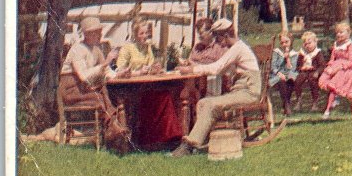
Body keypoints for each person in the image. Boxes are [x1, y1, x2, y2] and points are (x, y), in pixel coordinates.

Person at [171, 18, 261, 157]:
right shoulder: (235, 48)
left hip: (248, 93)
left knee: (211, 103)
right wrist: (194, 67)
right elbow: (222, 68)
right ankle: (203, 140)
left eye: (218, 38)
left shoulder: (238, 48)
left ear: (225, 35)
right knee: (203, 102)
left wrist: (192, 70)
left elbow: (217, 68)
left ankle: (189, 145)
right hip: (239, 92)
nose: (218, 42)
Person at [57, 16, 131, 153]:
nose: (101, 34)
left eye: (100, 31)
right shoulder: (77, 50)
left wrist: (120, 73)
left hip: (85, 89)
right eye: (97, 32)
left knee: (106, 94)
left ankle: (115, 130)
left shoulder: (96, 49)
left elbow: (106, 71)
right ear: (88, 34)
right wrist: (105, 62)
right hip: (72, 89)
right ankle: (115, 131)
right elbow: (83, 76)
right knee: (100, 96)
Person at [115, 19, 182, 150]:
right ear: (135, 34)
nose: (145, 36)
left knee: (165, 95)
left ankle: (167, 137)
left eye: (147, 33)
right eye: (142, 33)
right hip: (128, 87)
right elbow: (119, 71)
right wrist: (137, 72)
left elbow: (150, 66)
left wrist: (154, 68)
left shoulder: (148, 48)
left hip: (144, 84)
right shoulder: (127, 48)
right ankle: (151, 139)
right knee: (157, 98)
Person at [318, 22, 352, 121]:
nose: (338, 34)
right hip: (335, 66)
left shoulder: (351, 46)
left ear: (348, 33)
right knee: (326, 78)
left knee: (337, 81)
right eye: (337, 32)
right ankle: (331, 105)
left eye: (341, 32)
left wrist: (340, 68)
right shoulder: (336, 45)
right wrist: (330, 66)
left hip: (346, 69)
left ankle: (330, 107)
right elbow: (332, 59)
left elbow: (351, 62)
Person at [294, 31, 326, 112]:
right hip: (304, 71)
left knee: (313, 80)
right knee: (298, 80)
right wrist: (301, 67)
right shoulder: (302, 53)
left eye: (309, 43)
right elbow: (297, 65)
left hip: (314, 71)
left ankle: (315, 102)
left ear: (315, 42)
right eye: (305, 44)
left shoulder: (317, 53)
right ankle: (299, 100)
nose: (307, 45)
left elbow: (322, 65)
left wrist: (317, 72)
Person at [269, 31, 298, 116]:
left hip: (289, 74)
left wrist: (288, 58)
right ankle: (287, 104)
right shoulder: (277, 52)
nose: (284, 44)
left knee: (291, 80)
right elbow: (273, 66)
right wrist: (278, 73)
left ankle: (286, 104)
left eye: (286, 42)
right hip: (277, 75)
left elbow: (292, 68)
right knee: (282, 82)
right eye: (282, 43)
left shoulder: (294, 54)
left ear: (291, 41)